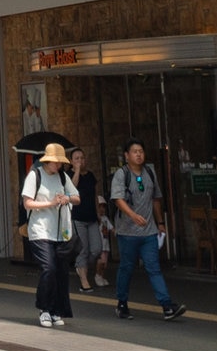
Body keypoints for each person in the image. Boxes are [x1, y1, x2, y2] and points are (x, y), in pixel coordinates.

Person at [109, 141, 185, 322]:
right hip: (128, 232)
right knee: (126, 268)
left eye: (141, 151)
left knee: (154, 268)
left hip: (149, 231)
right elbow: (118, 199)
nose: (138, 155)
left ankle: (167, 306)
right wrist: (133, 215)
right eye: (134, 152)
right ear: (126, 155)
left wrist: (160, 222)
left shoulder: (150, 172)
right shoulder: (121, 174)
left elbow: (156, 199)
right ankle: (122, 303)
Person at [23, 142, 77, 328]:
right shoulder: (35, 175)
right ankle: (44, 309)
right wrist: (51, 203)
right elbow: (28, 203)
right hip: (39, 230)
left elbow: (77, 197)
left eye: (60, 162)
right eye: (55, 162)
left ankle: (56, 310)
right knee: (49, 268)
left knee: (61, 272)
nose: (58, 166)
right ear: (47, 161)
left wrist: (66, 198)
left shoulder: (62, 177)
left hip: (61, 231)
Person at [70, 147, 106, 291]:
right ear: (71, 162)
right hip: (77, 218)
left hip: (91, 218)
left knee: (97, 249)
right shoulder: (69, 175)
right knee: (82, 249)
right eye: (76, 158)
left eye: (82, 158)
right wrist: (77, 171)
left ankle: (81, 267)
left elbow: (95, 195)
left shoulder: (90, 176)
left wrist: (98, 213)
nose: (80, 161)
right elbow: (72, 188)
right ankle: (84, 282)